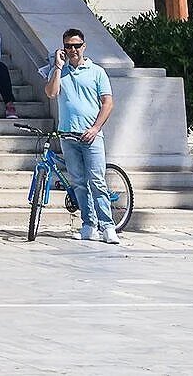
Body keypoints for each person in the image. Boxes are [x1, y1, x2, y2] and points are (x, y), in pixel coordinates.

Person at [44, 28, 118, 243]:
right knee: (79, 182)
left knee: (97, 181)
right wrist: (58, 67)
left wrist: (95, 128)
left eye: (76, 45)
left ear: (84, 46)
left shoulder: (96, 71)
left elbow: (108, 103)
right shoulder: (60, 70)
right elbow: (51, 92)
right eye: (68, 46)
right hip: (68, 135)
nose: (73, 50)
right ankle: (88, 224)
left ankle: (107, 225)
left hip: (91, 135)